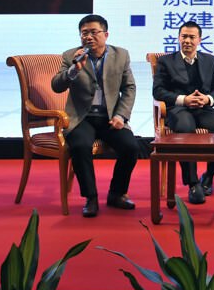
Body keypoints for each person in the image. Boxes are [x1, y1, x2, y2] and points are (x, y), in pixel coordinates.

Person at [50, 14, 144, 217]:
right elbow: (56, 86)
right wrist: (74, 70)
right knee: (80, 146)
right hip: (81, 118)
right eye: (84, 33)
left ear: (106, 34)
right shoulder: (71, 55)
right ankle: (90, 197)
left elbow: (129, 88)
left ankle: (116, 193)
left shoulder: (121, 55)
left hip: (110, 117)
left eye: (94, 32)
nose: (88, 37)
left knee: (131, 147)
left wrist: (121, 116)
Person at [152, 21, 214, 205]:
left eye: (192, 37)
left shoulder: (210, 60)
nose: (187, 41)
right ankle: (193, 183)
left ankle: (209, 176)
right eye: (184, 36)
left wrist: (208, 99)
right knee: (185, 130)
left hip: (203, 108)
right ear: (178, 38)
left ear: (199, 40)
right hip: (178, 109)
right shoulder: (166, 61)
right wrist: (184, 99)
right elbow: (158, 91)